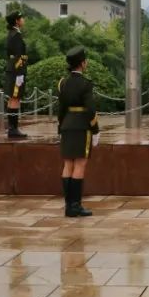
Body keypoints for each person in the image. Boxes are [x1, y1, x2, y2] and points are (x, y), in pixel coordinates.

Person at [58, 46, 99, 217]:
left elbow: (61, 109)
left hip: (66, 125)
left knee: (68, 165)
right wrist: (95, 130)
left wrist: (60, 128)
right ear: (82, 64)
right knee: (80, 165)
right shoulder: (86, 84)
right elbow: (90, 109)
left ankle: (69, 205)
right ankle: (75, 205)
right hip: (81, 127)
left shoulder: (63, 83)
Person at [4, 11, 28, 139]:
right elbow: (19, 56)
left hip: (12, 69)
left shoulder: (12, 33)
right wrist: (20, 73)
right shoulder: (16, 35)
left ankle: (12, 128)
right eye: (21, 18)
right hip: (16, 71)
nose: (23, 20)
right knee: (15, 99)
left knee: (13, 99)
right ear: (16, 21)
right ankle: (13, 129)